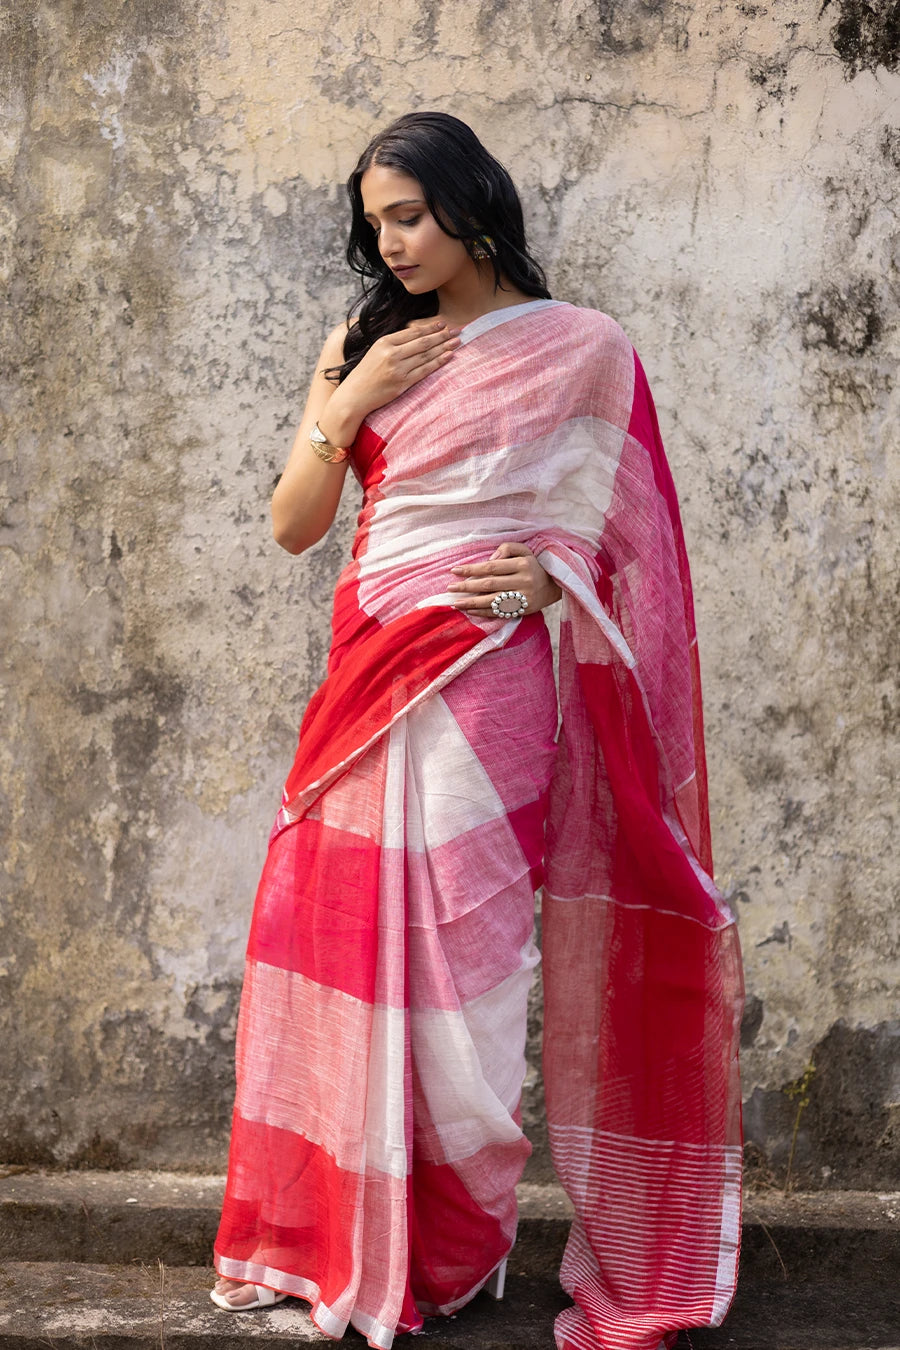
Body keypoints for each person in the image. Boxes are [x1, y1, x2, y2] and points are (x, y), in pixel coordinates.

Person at [210, 112, 744, 1350]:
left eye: (410, 215)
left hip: (489, 684)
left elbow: (622, 537)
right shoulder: (360, 342)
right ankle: (342, 1237)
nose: (392, 243)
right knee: (338, 940)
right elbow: (295, 525)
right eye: (377, 224)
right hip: (365, 681)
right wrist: (350, 398)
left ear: (471, 203)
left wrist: (547, 581)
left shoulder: (581, 349)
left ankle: (451, 1243)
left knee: (471, 968)